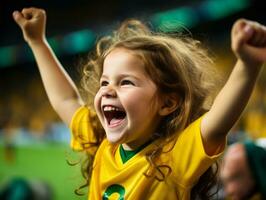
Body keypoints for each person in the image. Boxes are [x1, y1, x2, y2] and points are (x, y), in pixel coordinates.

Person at [12, 7, 266, 200]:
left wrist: (247, 65)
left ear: (168, 103)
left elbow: (218, 123)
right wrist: (37, 42)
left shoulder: (174, 159)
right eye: (104, 82)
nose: (109, 90)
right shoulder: (102, 143)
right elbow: (66, 99)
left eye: (126, 83)